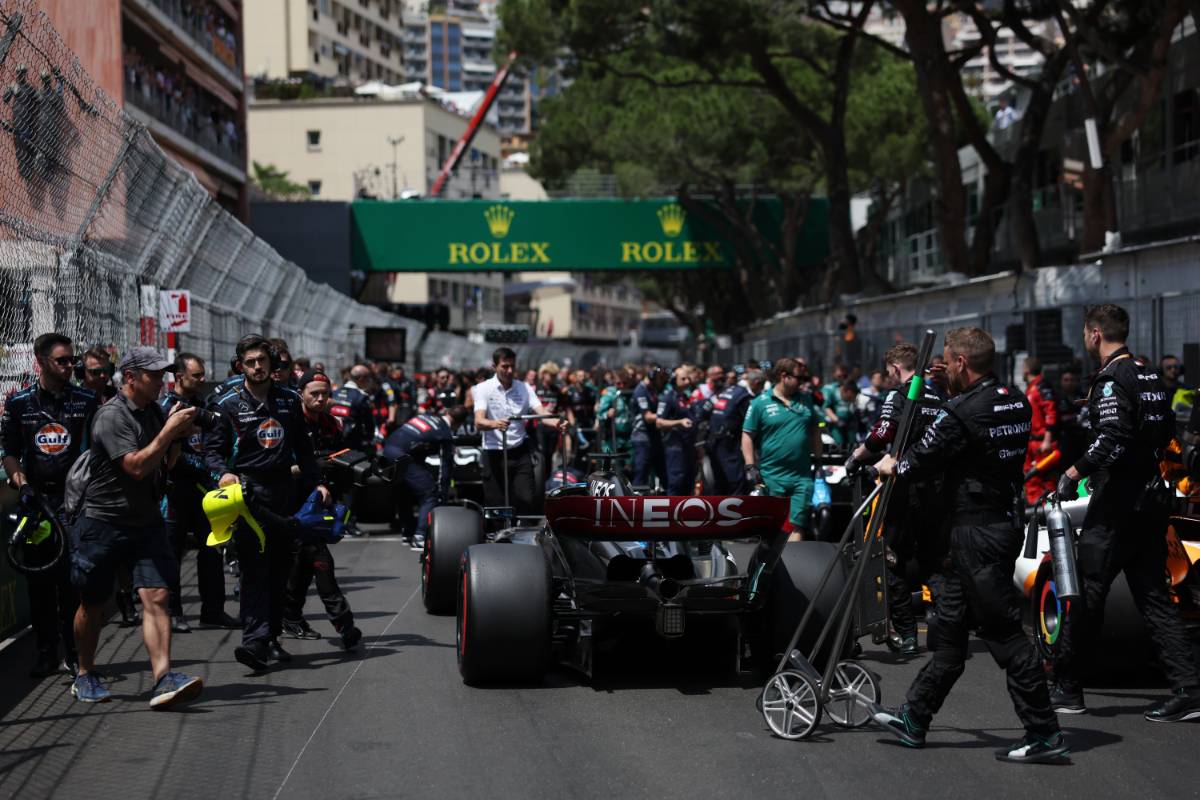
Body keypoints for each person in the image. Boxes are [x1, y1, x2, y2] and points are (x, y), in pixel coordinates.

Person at [870, 327, 1065, 764]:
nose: (943, 366)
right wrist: (950, 385)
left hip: (977, 532)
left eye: (947, 361)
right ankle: (915, 718)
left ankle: (1044, 731)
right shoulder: (1013, 397)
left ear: (959, 363)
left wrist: (891, 467)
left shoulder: (963, 409)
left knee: (1005, 634)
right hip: (994, 525)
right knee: (950, 635)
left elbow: (921, 457)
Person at [1050, 305, 1200, 721]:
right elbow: (1167, 429)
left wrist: (1074, 471)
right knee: (1155, 597)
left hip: (1119, 504)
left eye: (1085, 333)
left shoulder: (1114, 379)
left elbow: (1113, 437)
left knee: (1085, 592)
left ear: (1095, 334)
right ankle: (1188, 689)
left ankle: (1067, 687)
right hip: (1151, 500)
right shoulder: (1149, 373)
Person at [69, 347, 204, 708]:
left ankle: (163, 677)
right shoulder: (111, 416)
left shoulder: (154, 411)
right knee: (93, 603)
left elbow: (166, 464)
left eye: (164, 374)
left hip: (145, 522)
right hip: (103, 523)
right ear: (130, 378)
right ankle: (84, 672)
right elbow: (136, 467)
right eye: (155, 374)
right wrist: (168, 433)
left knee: (157, 596)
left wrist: (176, 437)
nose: (163, 381)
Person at [207, 335, 329, 672]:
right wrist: (222, 474)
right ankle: (254, 641)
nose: (258, 367)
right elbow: (213, 451)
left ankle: (270, 637)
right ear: (240, 366)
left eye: (262, 360)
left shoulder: (289, 401)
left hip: (284, 492)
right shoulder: (227, 404)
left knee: (279, 571)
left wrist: (317, 484)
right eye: (251, 362)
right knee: (254, 570)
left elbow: (304, 451)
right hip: (248, 494)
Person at [1, 333, 98, 678]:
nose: (70, 366)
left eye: (72, 360)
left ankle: (75, 654)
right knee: (40, 583)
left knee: (74, 581)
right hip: (37, 503)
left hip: (76, 504)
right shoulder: (19, 403)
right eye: (62, 361)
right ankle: (45, 653)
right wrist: (22, 484)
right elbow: (10, 452)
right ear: (40, 363)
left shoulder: (87, 400)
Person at [849, 343, 946, 656]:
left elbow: (882, 433)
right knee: (934, 560)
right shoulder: (936, 395)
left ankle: (906, 633)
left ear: (894, 367)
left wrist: (857, 456)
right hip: (934, 487)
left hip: (903, 487)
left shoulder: (901, 395)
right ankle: (946, 629)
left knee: (891, 558)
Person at [281, 370, 362, 650]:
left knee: (303, 565)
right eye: (313, 393)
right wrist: (312, 470)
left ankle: (290, 615)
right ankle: (344, 623)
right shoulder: (288, 422)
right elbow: (279, 466)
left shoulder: (332, 424)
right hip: (290, 503)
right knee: (320, 561)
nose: (319, 398)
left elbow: (341, 459)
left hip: (320, 505)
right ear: (301, 393)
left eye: (324, 394)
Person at [160, 352, 237, 633]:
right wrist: (206, 468)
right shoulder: (165, 406)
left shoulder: (206, 405)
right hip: (174, 491)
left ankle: (213, 611)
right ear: (179, 376)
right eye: (197, 375)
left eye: (203, 374)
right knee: (171, 553)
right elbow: (167, 455)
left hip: (206, 493)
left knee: (213, 549)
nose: (202, 379)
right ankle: (173, 612)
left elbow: (218, 444)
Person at [473, 347, 564, 515]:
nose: (509, 371)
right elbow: (478, 421)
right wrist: (495, 424)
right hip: (494, 451)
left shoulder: (524, 388)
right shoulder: (483, 388)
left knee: (525, 498)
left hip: (519, 451)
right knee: (496, 504)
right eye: (504, 367)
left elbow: (541, 413)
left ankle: (521, 532)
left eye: (512, 367)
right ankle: (498, 536)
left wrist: (556, 423)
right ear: (495, 367)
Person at [742, 358, 822, 541]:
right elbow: (747, 435)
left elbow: (816, 429)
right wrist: (750, 466)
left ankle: (794, 565)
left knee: (796, 525)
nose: (802, 383)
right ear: (783, 376)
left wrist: (818, 460)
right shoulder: (760, 403)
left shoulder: (806, 400)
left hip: (801, 477)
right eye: (799, 378)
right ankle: (774, 567)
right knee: (774, 527)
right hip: (772, 476)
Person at [382, 404, 467, 549]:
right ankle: (420, 536)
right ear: (458, 424)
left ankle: (407, 533)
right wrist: (443, 494)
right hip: (402, 455)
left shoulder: (426, 417)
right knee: (430, 493)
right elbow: (445, 468)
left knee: (405, 491)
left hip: (388, 449)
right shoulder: (444, 433)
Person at [706, 367, 764, 494]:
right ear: (756, 383)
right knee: (736, 482)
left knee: (720, 482)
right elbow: (751, 423)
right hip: (728, 444)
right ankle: (735, 512)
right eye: (762, 386)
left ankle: (718, 512)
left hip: (714, 440)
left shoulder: (731, 389)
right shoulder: (744, 396)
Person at [1022, 356, 1059, 505]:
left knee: (1044, 479)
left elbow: (1051, 412)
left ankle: (1046, 511)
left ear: (1026, 369)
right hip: (1032, 443)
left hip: (1043, 443)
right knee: (1031, 479)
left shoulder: (1042, 386)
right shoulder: (1032, 386)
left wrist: (1047, 440)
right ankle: (1035, 511)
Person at [657, 366, 696, 495]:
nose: (687, 381)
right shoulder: (668, 398)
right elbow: (659, 422)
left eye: (688, 378)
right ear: (674, 380)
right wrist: (679, 422)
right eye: (683, 379)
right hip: (674, 447)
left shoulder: (685, 397)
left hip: (688, 445)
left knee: (688, 481)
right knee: (676, 482)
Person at [630, 365, 668, 488]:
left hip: (654, 436)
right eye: (660, 377)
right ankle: (635, 503)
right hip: (642, 438)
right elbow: (647, 416)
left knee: (663, 472)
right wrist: (667, 418)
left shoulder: (652, 390)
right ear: (652, 376)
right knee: (641, 474)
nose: (662, 380)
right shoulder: (641, 391)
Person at [330, 364, 377, 454]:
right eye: (368, 379)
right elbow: (369, 426)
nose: (369, 381)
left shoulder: (334, 393)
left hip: (333, 443)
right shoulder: (362, 397)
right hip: (352, 447)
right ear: (361, 379)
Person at [596, 367, 635, 464]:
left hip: (629, 438)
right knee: (612, 469)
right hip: (612, 438)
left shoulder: (632, 393)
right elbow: (600, 414)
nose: (622, 386)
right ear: (614, 382)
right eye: (618, 383)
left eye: (624, 383)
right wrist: (607, 414)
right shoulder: (609, 393)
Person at [1160, 354, 1193, 419]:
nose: (1173, 370)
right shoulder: (1156, 391)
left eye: (1176, 367)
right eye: (1169, 367)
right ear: (1161, 370)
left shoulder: (1188, 390)